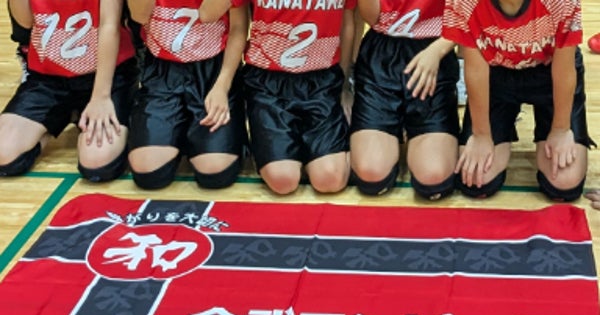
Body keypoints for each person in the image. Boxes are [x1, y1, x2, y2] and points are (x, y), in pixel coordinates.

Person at [200, 0, 356, 195]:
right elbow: (207, 14)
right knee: (282, 180)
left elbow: (347, 25)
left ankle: (308, 153)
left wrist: (343, 87)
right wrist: (222, 86)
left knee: (330, 179)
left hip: (321, 80)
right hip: (268, 82)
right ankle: (278, 151)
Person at [443, 0, 593, 201]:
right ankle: (504, 121)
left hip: (548, 73)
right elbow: (475, 69)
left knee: (564, 183)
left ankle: (546, 126)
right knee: (477, 182)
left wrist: (560, 129)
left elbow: (564, 68)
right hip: (496, 73)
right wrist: (481, 134)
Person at [0, 0, 138, 182]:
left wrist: (100, 97)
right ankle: (59, 118)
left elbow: (109, 26)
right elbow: (25, 22)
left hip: (104, 77)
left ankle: (121, 122)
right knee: (4, 154)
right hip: (48, 79)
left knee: (97, 163)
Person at [126, 0, 248, 190]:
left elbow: (221, 20)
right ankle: (177, 131)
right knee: (148, 173)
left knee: (216, 173)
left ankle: (201, 135)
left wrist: (222, 87)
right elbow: (139, 15)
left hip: (212, 70)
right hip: (162, 71)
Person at [349, 0, 460, 199]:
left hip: (433, 50)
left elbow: (474, 13)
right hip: (382, 53)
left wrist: (438, 50)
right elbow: (372, 17)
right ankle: (393, 129)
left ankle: (421, 130)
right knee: (371, 174)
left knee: (433, 178)